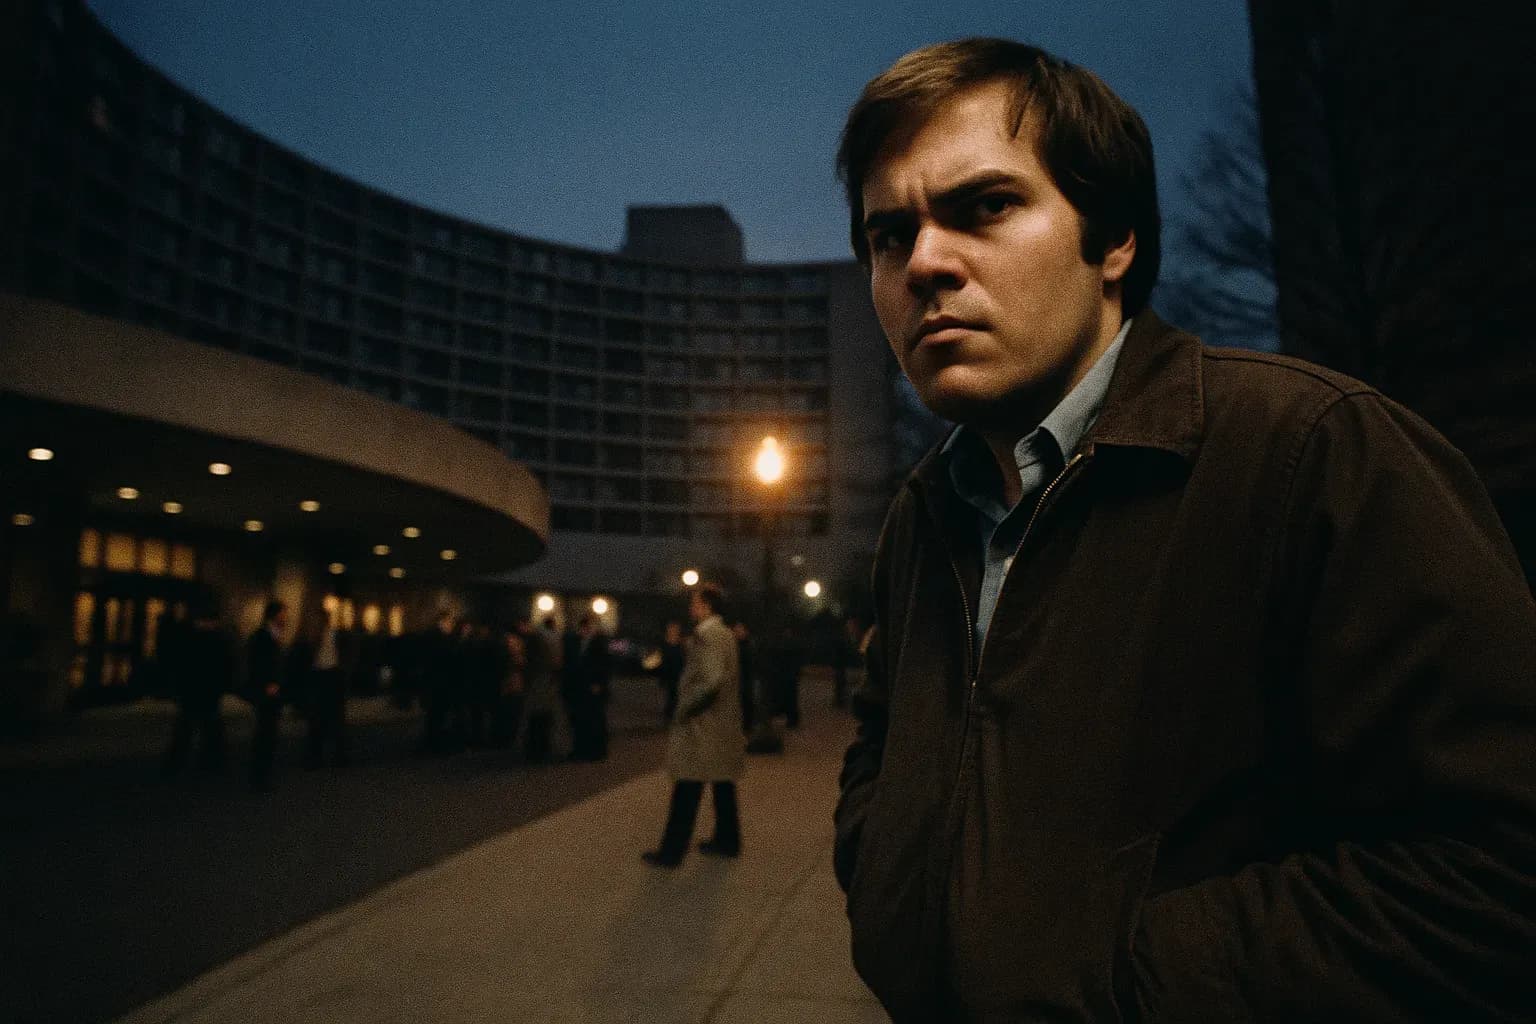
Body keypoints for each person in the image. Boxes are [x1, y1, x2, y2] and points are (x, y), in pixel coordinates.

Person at [832, 38, 1536, 1022]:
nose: (926, 264)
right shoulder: (923, 517)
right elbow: (883, 744)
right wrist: (887, 889)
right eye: (887, 236)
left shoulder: (1313, 450)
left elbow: (1498, 870)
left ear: (1113, 237)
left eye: (985, 207)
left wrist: (1110, 981)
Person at [642, 583, 744, 868]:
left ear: (706, 606)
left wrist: (685, 707)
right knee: (722, 783)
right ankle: (728, 840)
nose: (691, 607)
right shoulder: (725, 634)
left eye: (695, 602)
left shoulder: (706, 636)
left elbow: (711, 680)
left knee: (687, 786)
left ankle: (671, 851)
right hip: (721, 723)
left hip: (702, 724)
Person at [161, 595, 233, 776]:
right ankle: (209, 763)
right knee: (207, 729)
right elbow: (224, 666)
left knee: (186, 729)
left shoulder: (187, 636)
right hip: (206, 691)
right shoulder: (216, 639)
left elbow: (178, 665)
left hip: (192, 691)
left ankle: (177, 764)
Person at [245, 599, 288, 791]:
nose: (285, 617)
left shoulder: (275, 634)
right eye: (283, 613)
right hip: (266, 690)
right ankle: (259, 776)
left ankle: (262, 773)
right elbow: (258, 661)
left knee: (269, 732)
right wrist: (266, 684)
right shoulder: (263, 635)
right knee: (265, 732)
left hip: (273, 690)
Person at [565, 613, 611, 761]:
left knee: (594, 720)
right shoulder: (576, 642)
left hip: (593, 686)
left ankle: (596, 751)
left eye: (588, 627)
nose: (586, 630)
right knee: (579, 720)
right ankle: (580, 749)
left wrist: (599, 683)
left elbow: (604, 665)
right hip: (580, 686)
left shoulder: (599, 643)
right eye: (584, 628)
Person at [654, 619, 685, 724]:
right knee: (670, 696)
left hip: (679, 674)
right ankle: (669, 717)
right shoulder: (663, 644)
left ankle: (674, 717)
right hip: (668, 674)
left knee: (677, 697)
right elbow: (659, 659)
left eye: (675, 629)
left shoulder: (682, 644)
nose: (673, 631)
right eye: (671, 629)